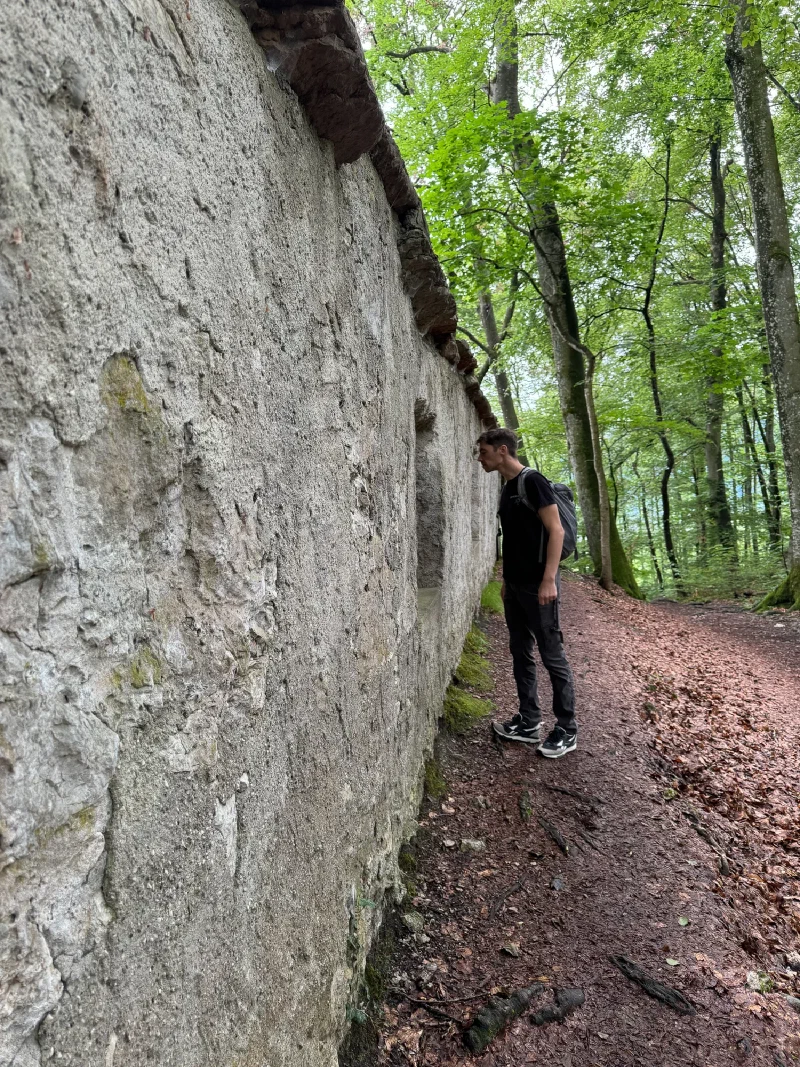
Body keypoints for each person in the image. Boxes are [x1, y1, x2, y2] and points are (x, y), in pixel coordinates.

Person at [477, 428, 577, 758]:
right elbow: (513, 538)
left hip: (539, 587)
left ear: (502, 451)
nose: (480, 458)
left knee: (552, 654)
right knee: (520, 652)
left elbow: (556, 530)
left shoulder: (533, 481)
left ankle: (566, 728)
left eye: (484, 452)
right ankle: (529, 721)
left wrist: (549, 579)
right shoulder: (506, 488)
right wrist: (506, 578)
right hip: (515, 586)